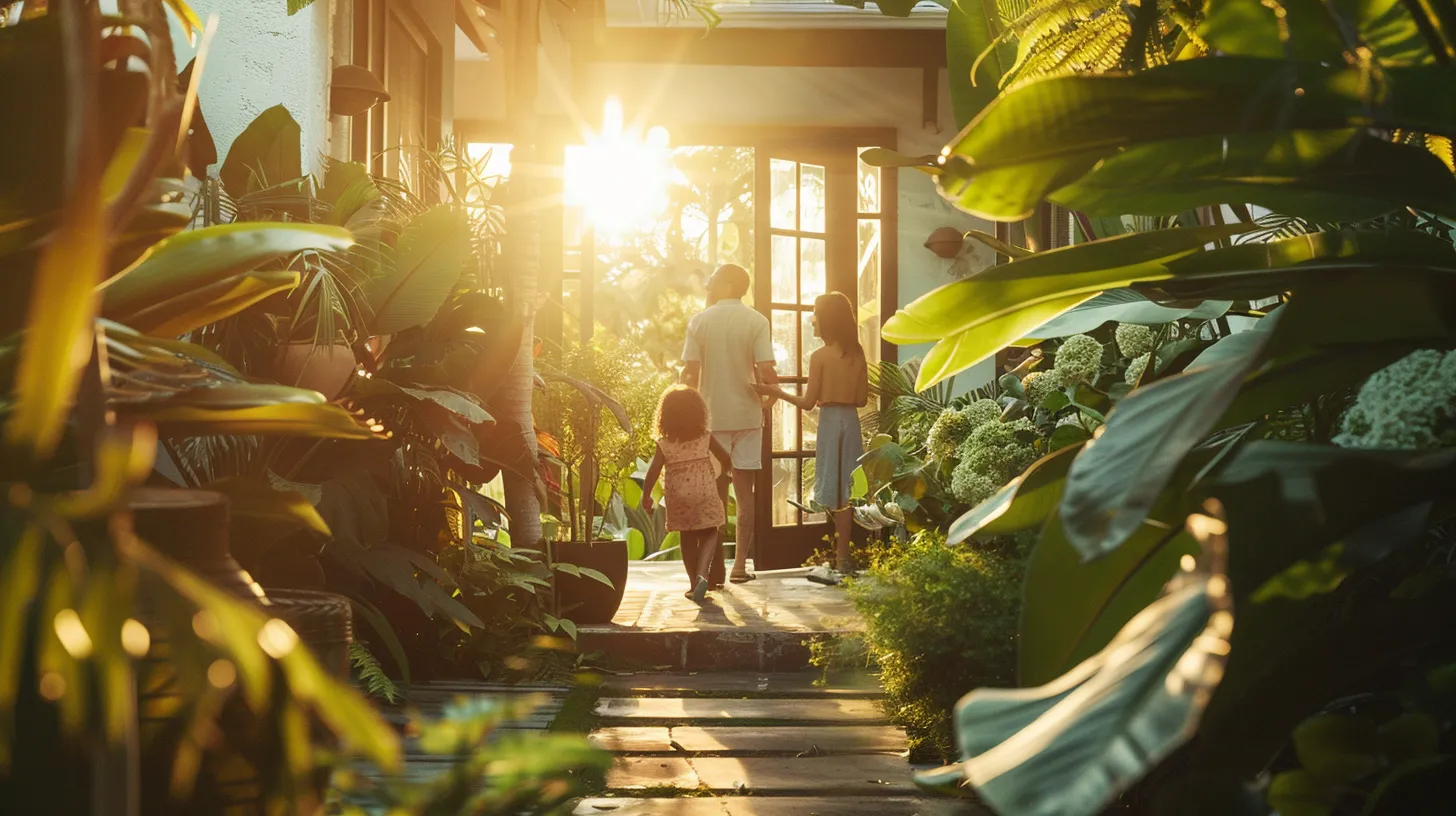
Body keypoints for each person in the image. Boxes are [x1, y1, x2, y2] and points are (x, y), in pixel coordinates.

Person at [753, 292, 868, 576]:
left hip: (830, 422)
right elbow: (863, 398)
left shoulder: (819, 357)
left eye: (816, 313)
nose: (812, 319)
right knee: (847, 491)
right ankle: (843, 558)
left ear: (828, 319)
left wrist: (775, 391)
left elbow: (807, 403)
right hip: (851, 421)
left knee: (834, 490)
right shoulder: (858, 353)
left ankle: (841, 559)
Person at [681, 263, 777, 585]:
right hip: (748, 417)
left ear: (726, 284)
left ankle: (714, 570)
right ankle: (738, 567)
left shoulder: (699, 321)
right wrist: (767, 402)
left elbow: (689, 376)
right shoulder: (757, 321)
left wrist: (688, 415)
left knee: (715, 495)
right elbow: (767, 372)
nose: (707, 286)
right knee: (744, 492)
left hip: (710, 420)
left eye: (712, 282)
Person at [640, 385, 735, 603]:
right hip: (704, 489)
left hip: (678, 494)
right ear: (698, 413)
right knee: (711, 530)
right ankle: (703, 573)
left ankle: (694, 584)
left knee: (687, 536)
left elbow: (653, 471)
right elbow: (725, 458)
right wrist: (724, 475)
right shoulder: (705, 438)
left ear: (665, 416)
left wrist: (646, 496)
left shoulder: (664, 444)